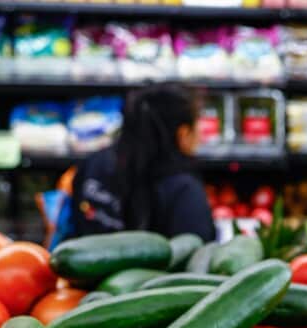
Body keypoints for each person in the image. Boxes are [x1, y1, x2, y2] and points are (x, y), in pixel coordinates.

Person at [67, 83, 215, 243]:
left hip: (88, 263)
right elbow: (197, 252)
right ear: (183, 133)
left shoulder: (93, 163)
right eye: (197, 122)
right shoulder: (184, 191)